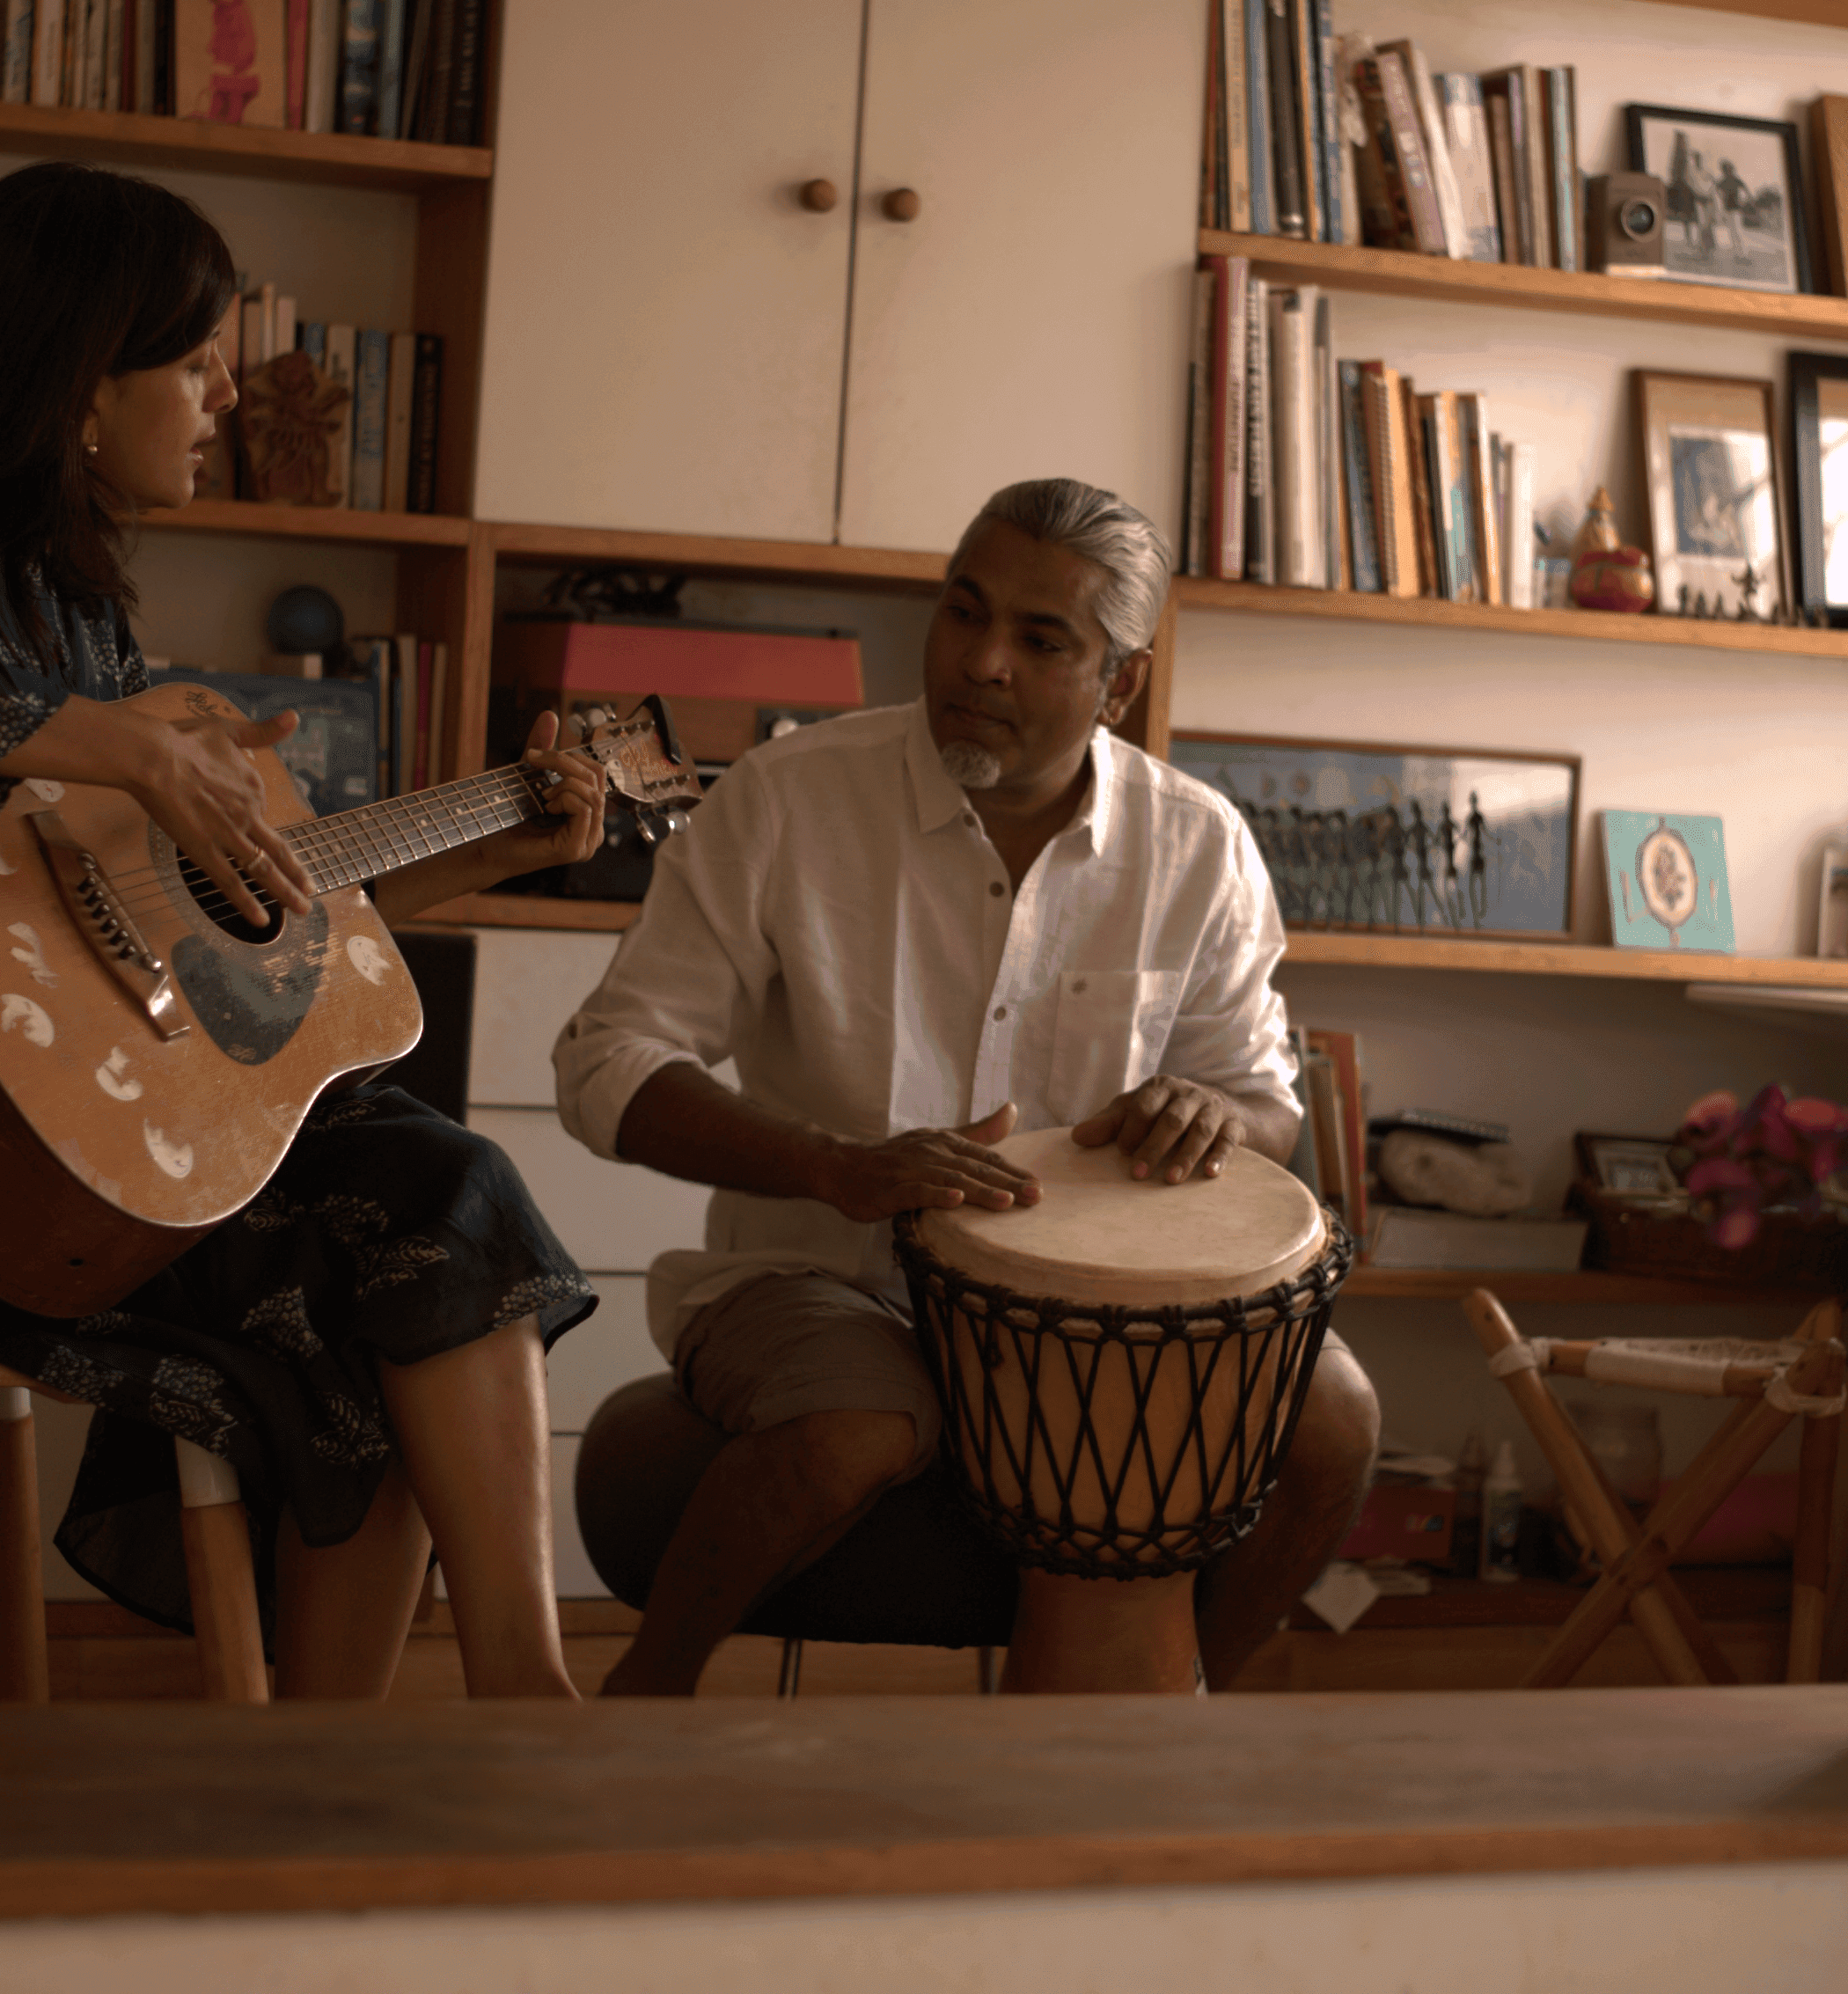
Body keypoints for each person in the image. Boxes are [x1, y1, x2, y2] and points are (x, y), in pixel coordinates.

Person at [0, 161, 606, 1699]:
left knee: (434, 1189)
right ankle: (395, 1742)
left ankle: (485, 1702)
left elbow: (231, 927)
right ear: (81, 383)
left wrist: (500, 845)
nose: (227, 395)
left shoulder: (77, 610)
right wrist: (135, 752)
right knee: (374, 1249)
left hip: (68, 1130)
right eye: (197, 360)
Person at [558, 478, 1380, 1697]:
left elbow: (1262, 1102)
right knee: (860, 1424)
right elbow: (605, 1062)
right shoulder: (785, 799)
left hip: (1104, 1311)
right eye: (964, 611)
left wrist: (1219, 1112)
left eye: (1042, 641)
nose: (981, 661)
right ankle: (646, 1694)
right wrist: (834, 1169)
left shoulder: (1199, 846)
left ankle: (1175, 1721)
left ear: (1120, 683)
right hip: (816, 1276)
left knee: (1337, 1415)